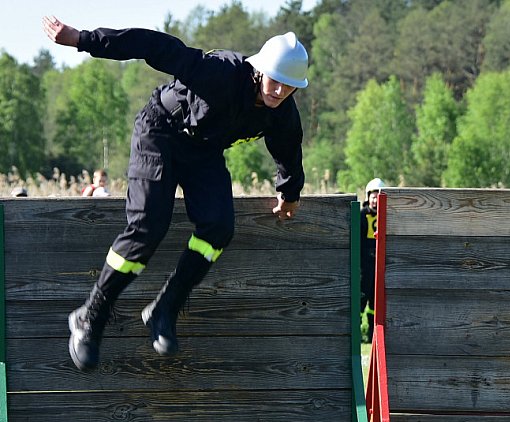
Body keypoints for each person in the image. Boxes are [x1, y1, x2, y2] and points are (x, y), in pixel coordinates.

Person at [43, 15, 308, 371]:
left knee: (218, 227)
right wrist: (84, 39)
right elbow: (156, 46)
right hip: (160, 132)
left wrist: (289, 192)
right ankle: (91, 315)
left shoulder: (281, 112)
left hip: (203, 151)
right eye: (275, 82)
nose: (279, 92)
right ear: (260, 71)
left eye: (288, 87)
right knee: (148, 226)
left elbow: (288, 147)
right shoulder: (221, 72)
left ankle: (164, 308)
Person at [360, 178, 385, 343]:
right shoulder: (361, 215)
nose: (375, 200)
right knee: (361, 299)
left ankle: (372, 337)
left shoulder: (386, 217)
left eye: (378, 197)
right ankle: (356, 334)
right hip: (364, 265)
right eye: (373, 196)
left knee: (376, 304)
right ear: (368, 197)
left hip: (379, 265)